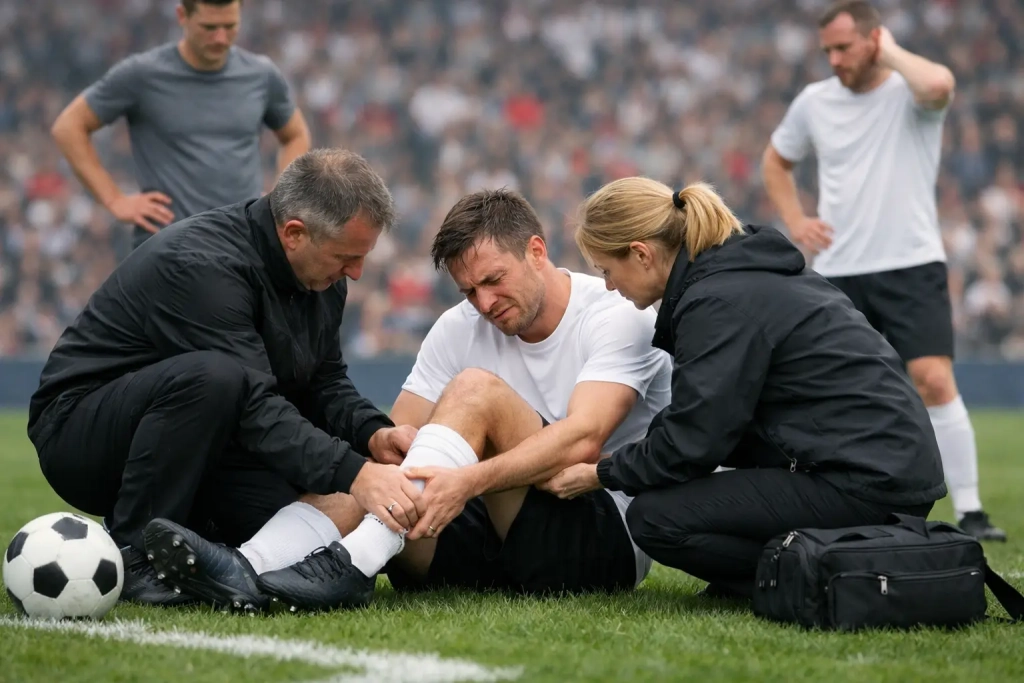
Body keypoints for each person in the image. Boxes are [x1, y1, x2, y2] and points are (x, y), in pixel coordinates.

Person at [140, 188, 673, 612]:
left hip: (594, 543)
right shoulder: (457, 326)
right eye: (468, 291)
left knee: (475, 388)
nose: (484, 303)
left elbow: (584, 441)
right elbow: (394, 450)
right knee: (373, 473)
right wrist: (381, 472)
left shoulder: (614, 310)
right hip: (477, 535)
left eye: (493, 280)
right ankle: (239, 568)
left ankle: (354, 563)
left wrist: (466, 480)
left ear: (536, 251)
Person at [27, 148, 421, 608]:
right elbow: (253, 405)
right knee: (214, 376)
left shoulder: (322, 275)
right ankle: (134, 552)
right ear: (294, 233)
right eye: (346, 257)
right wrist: (356, 474)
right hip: (79, 433)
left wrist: (373, 434)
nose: (355, 272)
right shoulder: (203, 266)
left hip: (204, 435)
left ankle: (205, 540)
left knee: (297, 520)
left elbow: (324, 381)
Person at [541, 177, 947, 599]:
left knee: (653, 519)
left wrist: (603, 473)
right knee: (674, 489)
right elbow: (716, 422)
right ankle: (789, 565)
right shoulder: (740, 275)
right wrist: (637, 456)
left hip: (867, 484)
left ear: (641, 254)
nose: (609, 285)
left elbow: (694, 443)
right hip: (887, 470)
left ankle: (802, 577)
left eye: (607, 270)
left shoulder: (716, 300)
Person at [760, 0, 1005, 540]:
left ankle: (970, 510)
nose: (834, 60)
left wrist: (888, 49)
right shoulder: (814, 101)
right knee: (832, 391)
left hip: (911, 261)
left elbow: (940, 84)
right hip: (839, 270)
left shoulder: (908, 93)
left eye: (844, 47)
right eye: (827, 50)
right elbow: (776, 161)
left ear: (873, 41)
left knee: (934, 378)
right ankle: (847, 498)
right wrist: (796, 219)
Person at [51, 0, 311, 250]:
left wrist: (280, 200)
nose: (221, 37)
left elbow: (296, 134)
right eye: (209, 27)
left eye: (230, 26)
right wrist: (114, 199)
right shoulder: (142, 74)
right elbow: (68, 127)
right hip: (166, 251)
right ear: (182, 16)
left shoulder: (261, 75)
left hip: (242, 246)